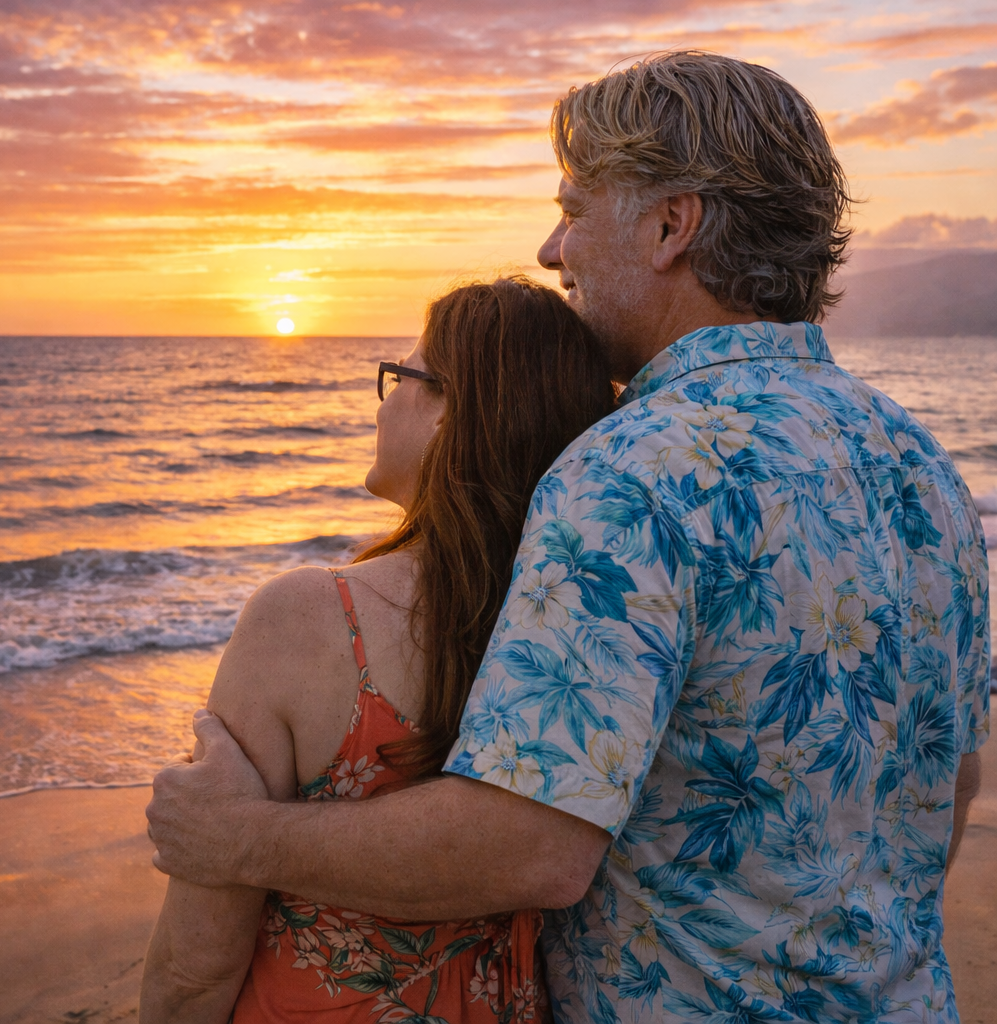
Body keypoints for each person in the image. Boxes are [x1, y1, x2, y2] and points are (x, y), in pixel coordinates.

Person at [147, 52, 991, 1024]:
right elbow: (951, 780)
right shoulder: (919, 462)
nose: (552, 252)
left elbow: (529, 848)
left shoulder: (634, 466)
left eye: (572, 210)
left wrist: (236, 839)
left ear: (672, 225)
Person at [139, 276, 618, 1022]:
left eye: (401, 376)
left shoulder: (306, 619)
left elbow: (197, 964)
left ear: (448, 410)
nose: (384, 400)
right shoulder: (576, 623)